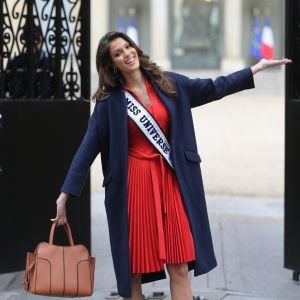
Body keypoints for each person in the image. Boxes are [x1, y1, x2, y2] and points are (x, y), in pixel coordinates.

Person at [51, 31, 291, 300]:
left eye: (127, 47)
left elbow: (214, 87)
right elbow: (87, 148)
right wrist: (65, 194)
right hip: (134, 187)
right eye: (118, 53)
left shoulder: (169, 83)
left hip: (171, 182)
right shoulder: (109, 102)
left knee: (179, 266)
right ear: (112, 64)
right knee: (134, 272)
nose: (126, 54)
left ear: (135, 48)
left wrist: (255, 69)